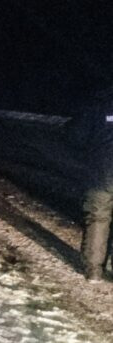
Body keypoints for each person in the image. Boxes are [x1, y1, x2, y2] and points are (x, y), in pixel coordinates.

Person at [67, 92, 113, 281]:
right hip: (102, 172)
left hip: (101, 173)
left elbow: (76, 135)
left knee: (98, 218)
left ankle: (94, 270)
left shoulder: (99, 106)